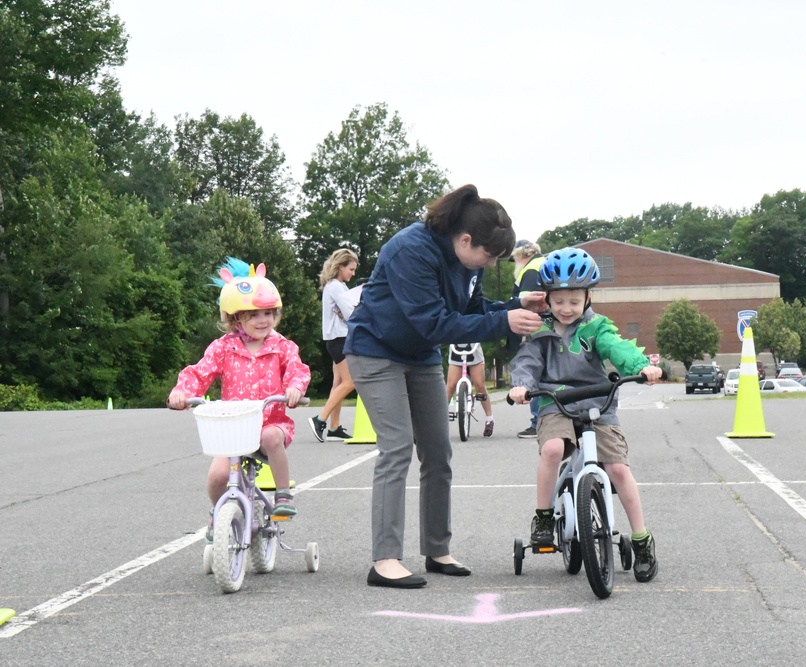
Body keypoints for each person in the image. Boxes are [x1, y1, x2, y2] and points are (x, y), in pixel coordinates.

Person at [345, 184, 547, 589]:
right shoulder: (410, 250)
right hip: (375, 351)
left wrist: (514, 308)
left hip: (418, 355)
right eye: (488, 256)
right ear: (465, 238)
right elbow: (434, 322)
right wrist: (502, 322)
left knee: (438, 450)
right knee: (398, 446)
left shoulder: (466, 262)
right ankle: (384, 560)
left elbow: (472, 310)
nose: (488, 265)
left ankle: (437, 550)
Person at [508, 247, 662, 583]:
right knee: (552, 449)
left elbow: (618, 349)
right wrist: (520, 386)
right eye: (559, 300)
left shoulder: (598, 327)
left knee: (618, 469)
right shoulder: (538, 330)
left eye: (574, 301)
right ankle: (545, 518)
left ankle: (641, 539)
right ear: (546, 298)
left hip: (597, 402)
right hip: (554, 402)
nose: (566, 308)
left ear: (588, 298)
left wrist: (641, 368)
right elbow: (526, 363)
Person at [168, 258, 311, 541]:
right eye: (254, 314)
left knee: (271, 437)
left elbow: (298, 370)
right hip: (233, 428)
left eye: (269, 313)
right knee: (217, 477)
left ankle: (283, 495)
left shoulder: (282, 346)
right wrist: (182, 392)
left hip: (270, 422)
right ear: (236, 319)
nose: (263, 320)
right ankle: (219, 511)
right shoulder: (223, 348)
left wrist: (295, 387)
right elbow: (200, 372)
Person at [310, 248, 359, 442]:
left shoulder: (335, 286)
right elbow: (351, 314)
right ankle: (319, 419)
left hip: (335, 339)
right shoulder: (337, 287)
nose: (353, 273)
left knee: (338, 383)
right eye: (351, 269)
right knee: (350, 382)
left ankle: (334, 427)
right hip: (340, 339)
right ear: (341, 267)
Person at [508, 239, 545, 439]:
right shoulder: (543, 263)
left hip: (537, 330)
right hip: (551, 327)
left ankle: (537, 421)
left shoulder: (530, 270)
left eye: (514, 258)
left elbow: (525, 307)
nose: (514, 263)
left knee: (534, 373)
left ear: (521, 255)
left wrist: (523, 334)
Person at [445, 342, 494, 437]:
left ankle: (489, 419)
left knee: (480, 386)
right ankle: (439, 419)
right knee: (450, 386)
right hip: (456, 350)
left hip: (474, 351)